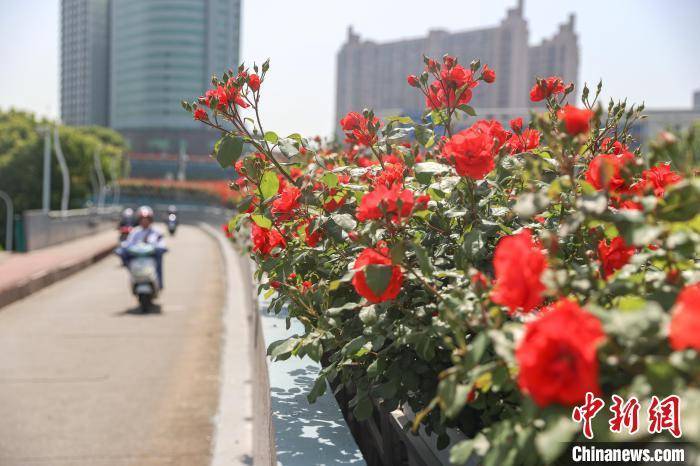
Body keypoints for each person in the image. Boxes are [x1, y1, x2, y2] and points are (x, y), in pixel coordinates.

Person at [118, 206, 167, 288]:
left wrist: (160, 248)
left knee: (159, 257)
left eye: (147, 219)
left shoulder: (157, 231)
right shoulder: (135, 231)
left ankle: (159, 283)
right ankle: (133, 276)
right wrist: (123, 248)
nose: (145, 221)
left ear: (150, 220)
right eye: (142, 219)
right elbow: (128, 243)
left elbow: (161, 243)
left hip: (151, 255)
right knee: (124, 253)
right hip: (137, 255)